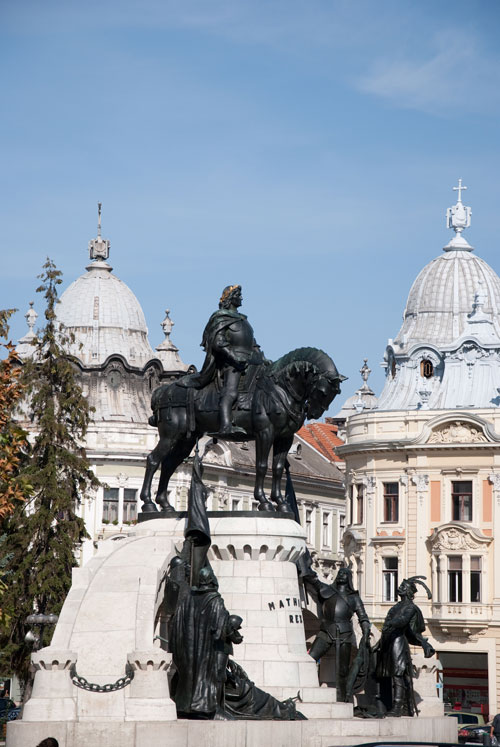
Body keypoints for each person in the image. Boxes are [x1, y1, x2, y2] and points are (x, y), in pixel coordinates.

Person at [181, 284, 267, 437]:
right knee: (231, 390)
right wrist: (233, 356)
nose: (241, 297)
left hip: (250, 360)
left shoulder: (244, 320)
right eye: (237, 294)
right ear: (229, 298)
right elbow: (218, 341)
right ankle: (226, 425)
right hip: (230, 363)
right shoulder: (220, 317)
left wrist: (262, 358)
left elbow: (252, 344)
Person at [169, 566, 243, 718]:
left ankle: (185, 707)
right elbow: (221, 628)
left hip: (188, 651)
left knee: (190, 678)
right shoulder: (215, 601)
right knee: (211, 677)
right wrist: (235, 636)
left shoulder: (187, 600)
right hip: (206, 651)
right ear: (211, 580)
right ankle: (211, 710)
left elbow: (176, 625)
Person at [304, 566, 371, 702]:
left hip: (345, 634)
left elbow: (362, 616)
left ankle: (343, 698)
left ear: (349, 578)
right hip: (326, 631)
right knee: (310, 658)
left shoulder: (354, 597)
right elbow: (313, 580)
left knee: (343, 669)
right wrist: (303, 567)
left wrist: (365, 632)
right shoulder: (326, 589)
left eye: (344, 574)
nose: (341, 576)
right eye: (339, 573)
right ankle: (306, 688)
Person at [376, 576, 435, 717]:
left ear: (409, 591)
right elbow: (388, 622)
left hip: (398, 642)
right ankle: (391, 703)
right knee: (387, 673)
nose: (400, 588)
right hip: (388, 641)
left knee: (398, 673)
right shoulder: (396, 606)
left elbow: (402, 621)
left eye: (404, 586)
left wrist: (392, 623)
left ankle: (398, 706)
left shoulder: (410, 607)